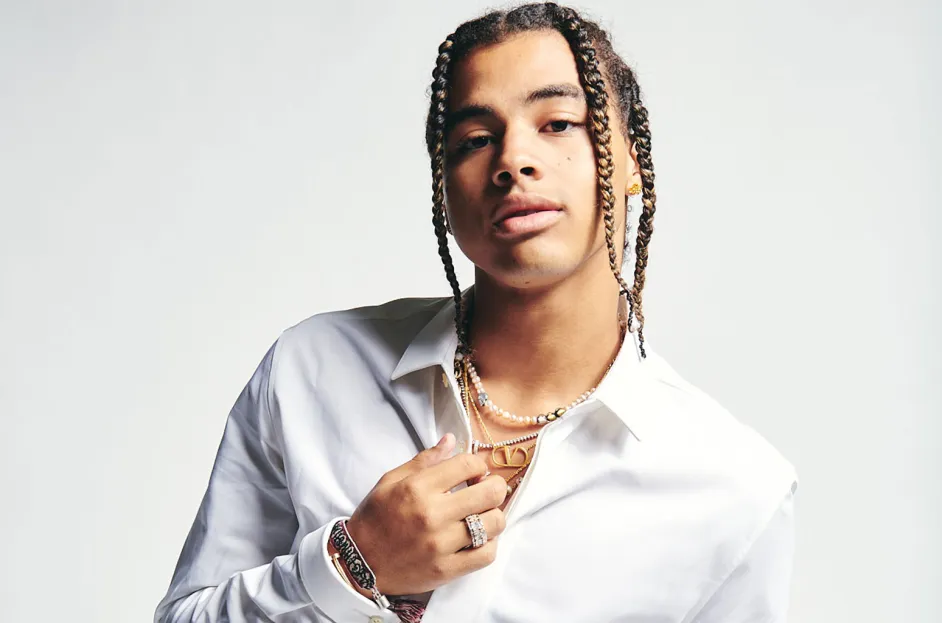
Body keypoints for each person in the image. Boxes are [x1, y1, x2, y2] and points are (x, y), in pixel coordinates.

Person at [154, 3, 799, 622]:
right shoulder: (310, 372)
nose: (513, 160)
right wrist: (352, 565)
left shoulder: (736, 489)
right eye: (476, 139)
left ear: (630, 158)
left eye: (558, 124)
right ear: (445, 185)